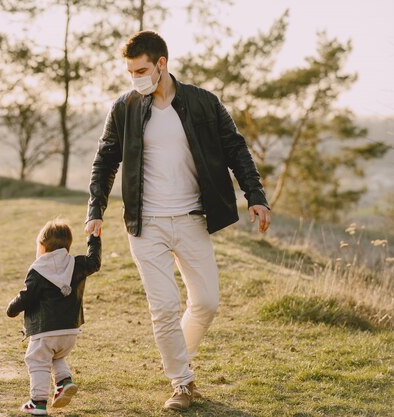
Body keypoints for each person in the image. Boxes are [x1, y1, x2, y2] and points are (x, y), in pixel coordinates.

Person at [84, 31, 271, 411]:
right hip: (146, 223)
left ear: (162, 64)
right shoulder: (125, 107)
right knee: (165, 307)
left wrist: (256, 196)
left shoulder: (203, 103)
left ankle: (175, 357)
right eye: (130, 71)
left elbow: (236, 148)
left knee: (206, 302)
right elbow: (106, 159)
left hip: (192, 219)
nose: (135, 78)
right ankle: (181, 383)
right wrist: (95, 210)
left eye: (141, 70)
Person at [7, 219, 101, 415]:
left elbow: (28, 295)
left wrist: (12, 309)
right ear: (68, 245)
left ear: (41, 246)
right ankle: (64, 381)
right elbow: (94, 262)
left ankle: (38, 401)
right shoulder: (77, 264)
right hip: (70, 331)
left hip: (45, 331)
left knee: (37, 360)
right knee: (55, 356)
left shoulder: (38, 270)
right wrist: (94, 238)